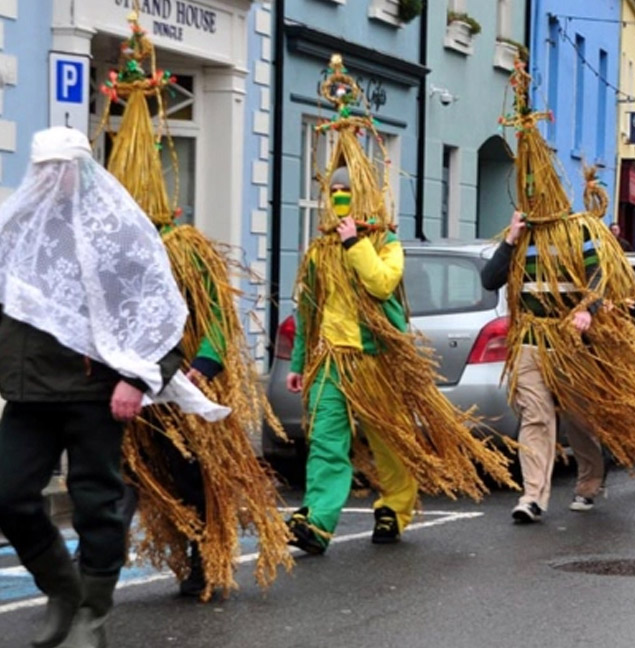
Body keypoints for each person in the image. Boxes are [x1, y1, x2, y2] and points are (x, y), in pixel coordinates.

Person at [0, 126, 227, 648]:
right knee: (9, 495)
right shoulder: (20, 227)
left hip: (94, 392)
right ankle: (64, 592)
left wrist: (136, 378)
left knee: (98, 504)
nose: (50, 178)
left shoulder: (116, 231)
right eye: (43, 169)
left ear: (80, 170)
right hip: (28, 392)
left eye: (60, 168)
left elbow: (161, 313)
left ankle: (92, 619)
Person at [284, 55, 514, 554]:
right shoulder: (319, 249)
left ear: (362, 196)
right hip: (330, 362)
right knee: (326, 443)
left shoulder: (384, 243)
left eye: (348, 192)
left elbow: (383, 284)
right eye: (334, 191)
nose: (340, 198)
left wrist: (355, 243)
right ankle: (318, 524)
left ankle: (395, 504)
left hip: (374, 360)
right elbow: (308, 308)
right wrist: (300, 362)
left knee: (385, 438)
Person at [98, 11, 291, 600]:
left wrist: (197, 372)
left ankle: (206, 553)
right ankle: (138, 559)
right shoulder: (108, 255)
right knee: (135, 476)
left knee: (189, 472)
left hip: (183, 384)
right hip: (126, 388)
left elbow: (213, 322)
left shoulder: (184, 250)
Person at [484, 61, 635, 523]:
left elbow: (601, 278)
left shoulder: (578, 232)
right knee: (537, 418)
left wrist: (589, 309)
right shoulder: (518, 237)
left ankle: (590, 477)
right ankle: (533, 497)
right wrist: (508, 240)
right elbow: (490, 280)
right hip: (531, 342)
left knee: (581, 418)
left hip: (573, 340)